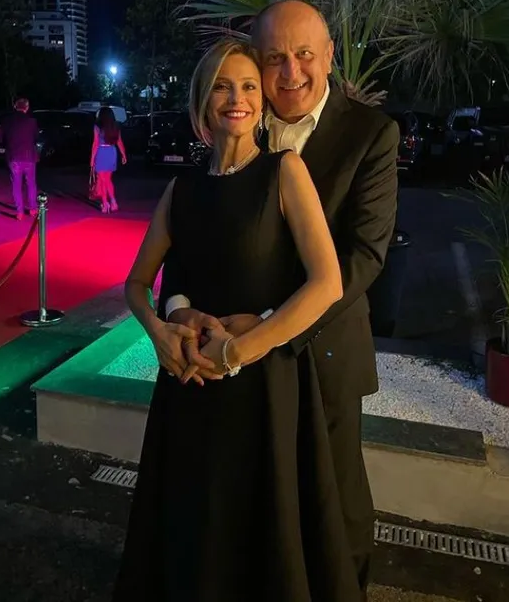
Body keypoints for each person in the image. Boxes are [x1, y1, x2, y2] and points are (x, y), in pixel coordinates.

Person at [163, 0, 400, 598]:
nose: (291, 72)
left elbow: (364, 257)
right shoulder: (241, 117)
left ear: (329, 57)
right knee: (255, 504)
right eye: (275, 58)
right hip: (236, 361)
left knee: (334, 506)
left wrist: (269, 325)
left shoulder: (372, 133)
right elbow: (195, 231)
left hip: (324, 352)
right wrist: (177, 309)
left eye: (304, 55)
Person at [113, 38, 349, 601]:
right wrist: (158, 330)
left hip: (261, 384)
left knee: (259, 524)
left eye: (247, 86)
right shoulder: (182, 188)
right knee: (194, 519)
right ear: (203, 100)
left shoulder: (284, 172)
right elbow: (137, 283)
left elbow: (327, 283)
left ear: (262, 102)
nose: (236, 98)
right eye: (222, 86)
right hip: (189, 382)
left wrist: (238, 351)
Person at [0, 97, 39, 221]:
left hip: (13, 156)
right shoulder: (32, 122)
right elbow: (36, 138)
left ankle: (20, 212)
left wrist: (8, 142)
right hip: (29, 157)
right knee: (31, 183)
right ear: (27, 107)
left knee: (16, 185)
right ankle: (33, 209)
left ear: (15, 107)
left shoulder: (7, 121)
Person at [90, 106, 126, 213]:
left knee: (103, 179)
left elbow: (95, 143)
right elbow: (119, 141)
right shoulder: (115, 125)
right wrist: (123, 154)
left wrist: (92, 158)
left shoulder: (98, 126)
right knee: (108, 179)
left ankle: (105, 204)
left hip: (102, 151)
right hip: (112, 151)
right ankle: (113, 202)